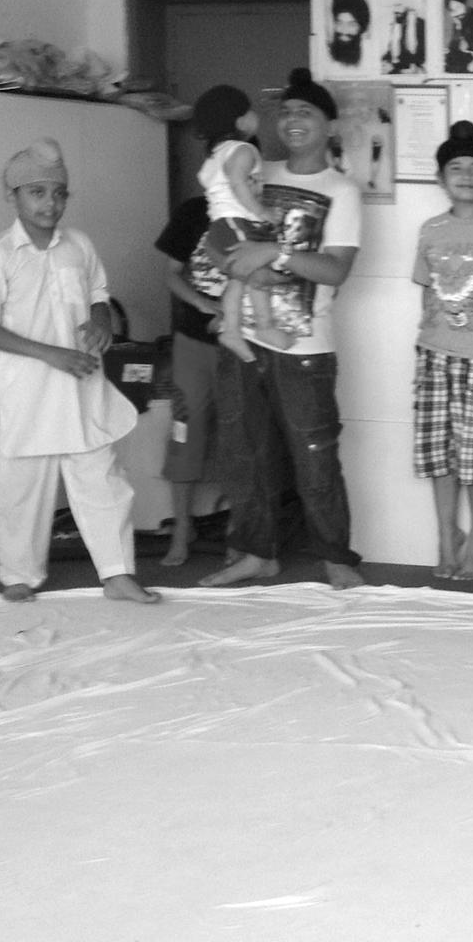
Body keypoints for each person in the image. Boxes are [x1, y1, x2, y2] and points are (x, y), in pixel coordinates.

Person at [200, 68, 366, 592]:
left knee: (315, 456)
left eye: (307, 112)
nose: (293, 120)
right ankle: (256, 553)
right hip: (242, 338)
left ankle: (337, 558)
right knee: (243, 451)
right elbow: (211, 242)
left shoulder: (341, 189)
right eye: (287, 111)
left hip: (305, 346)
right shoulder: (251, 166)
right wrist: (235, 262)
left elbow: (336, 268)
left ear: (328, 125)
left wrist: (275, 253)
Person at [0, 139, 159, 605]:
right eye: (37, 193)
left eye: (59, 193)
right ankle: (18, 574)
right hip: (26, 390)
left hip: (82, 383)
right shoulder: (4, 255)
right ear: (13, 197)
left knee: (103, 480)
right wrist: (51, 354)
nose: (50, 203)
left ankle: (117, 574)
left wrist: (102, 319)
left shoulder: (80, 245)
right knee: (22, 486)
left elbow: (98, 292)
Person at [412, 122, 473, 583]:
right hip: (433, 352)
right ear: (441, 178)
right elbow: (425, 294)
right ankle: (445, 534)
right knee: (437, 451)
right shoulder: (430, 230)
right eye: (456, 168)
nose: (467, 176)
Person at [192, 84, 286, 364]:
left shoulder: (216, 153)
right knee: (257, 276)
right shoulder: (243, 150)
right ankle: (264, 326)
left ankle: (232, 329)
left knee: (238, 280)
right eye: (250, 111)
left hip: (222, 224)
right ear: (240, 120)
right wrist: (263, 211)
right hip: (237, 222)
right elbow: (237, 183)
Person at [154, 194, 224, 567]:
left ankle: (245, 533)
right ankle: (182, 528)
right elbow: (170, 272)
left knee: (242, 437)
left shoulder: (261, 214)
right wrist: (201, 303)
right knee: (186, 431)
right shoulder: (194, 211)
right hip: (193, 343)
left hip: (242, 346)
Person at [329, 0, 371, 68]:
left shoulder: (369, 58)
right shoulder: (325, 55)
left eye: (351, 25)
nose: (344, 31)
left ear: (361, 28)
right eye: (339, 23)